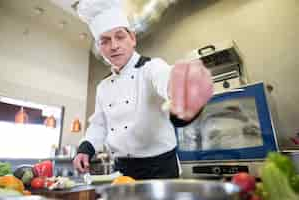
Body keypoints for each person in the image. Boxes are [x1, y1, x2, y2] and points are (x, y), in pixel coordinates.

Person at [73, 0, 213, 179]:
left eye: (120, 36)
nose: (114, 45)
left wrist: (182, 92)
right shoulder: (103, 87)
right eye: (105, 41)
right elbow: (99, 124)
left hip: (160, 170)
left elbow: (167, 80)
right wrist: (85, 149)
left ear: (132, 39)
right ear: (100, 48)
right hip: (122, 171)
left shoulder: (152, 68)